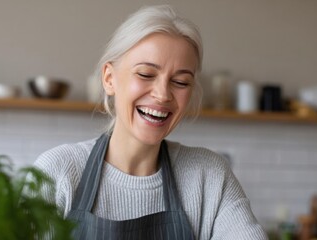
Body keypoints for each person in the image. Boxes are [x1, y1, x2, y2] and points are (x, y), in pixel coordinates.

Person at [33, 4, 268, 240]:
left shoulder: (209, 176)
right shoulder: (57, 172)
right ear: (109, 78)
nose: (163, 94)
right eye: (146, 74)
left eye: (181, 82)